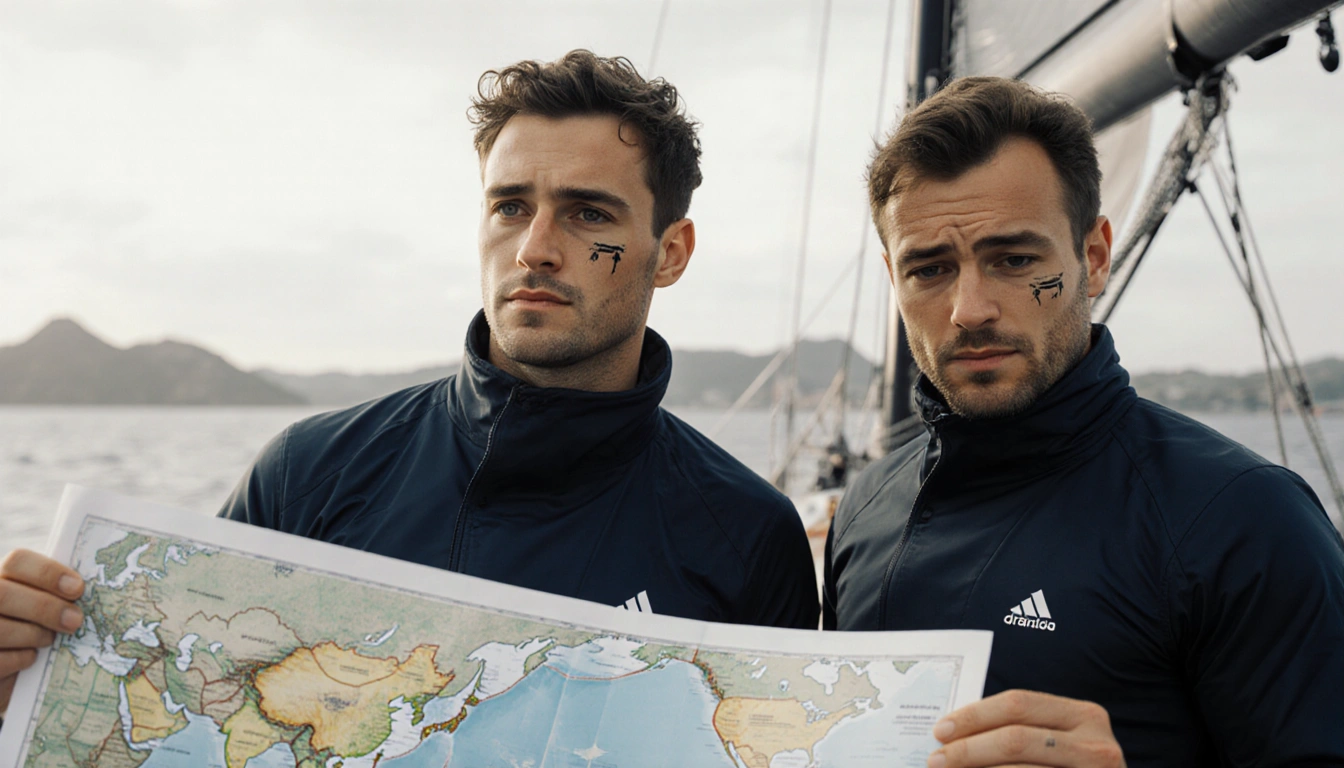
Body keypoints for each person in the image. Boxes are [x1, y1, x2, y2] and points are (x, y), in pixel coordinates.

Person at [0, 50, 820, 717]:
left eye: (588, 214)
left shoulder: (748, 534)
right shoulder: (308, 473)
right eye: (509, 206)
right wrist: (21, 686)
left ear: (669, 252)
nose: (534, 246)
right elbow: (179, 720)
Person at [824, 76, 1344, 767]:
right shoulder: (864, 509)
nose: (969, 308)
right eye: (930, 268)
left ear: (1092, 257)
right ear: (894, 277)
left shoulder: (1244, 520)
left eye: (1014, 259)